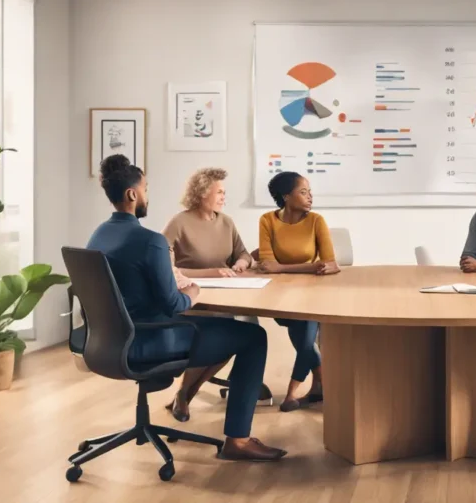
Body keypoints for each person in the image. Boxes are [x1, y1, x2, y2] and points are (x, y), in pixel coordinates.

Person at [86, 155, 285, 462]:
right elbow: (174, 304)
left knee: (230, 329)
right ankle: (238, 440)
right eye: (146, 188)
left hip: (108, 342)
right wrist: (192, 290)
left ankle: (189, 398)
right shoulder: (150, 241)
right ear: (132, 194)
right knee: (253, 337)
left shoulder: (99, 234)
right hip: (152, 340)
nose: (147, 195)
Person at [161, 167, 265, 423]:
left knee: (236, 338)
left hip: (227, 294)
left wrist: (242, 263)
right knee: (223, 339)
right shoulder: (179, 223)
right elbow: (165, 266)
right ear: (202, 192)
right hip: (194, 299)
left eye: (224, 192)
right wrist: (211, 273)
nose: (223, 197)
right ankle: (185, 396)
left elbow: (243, 254)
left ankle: (185, 393)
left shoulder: (226, 222)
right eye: (219, 191)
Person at [258, 171, 338, 412]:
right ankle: (321, 385)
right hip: (279, 296)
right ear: (286, 197)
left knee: (304, 341)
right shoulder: (267, 221)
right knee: (303, 338)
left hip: (313, 294)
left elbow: (329, 263)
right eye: (303, 192)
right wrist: (308, 267)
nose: (310, 196)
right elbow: (267, 264)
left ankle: (292, 392)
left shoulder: (316, 220)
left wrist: (282, 268)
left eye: (309, 191)